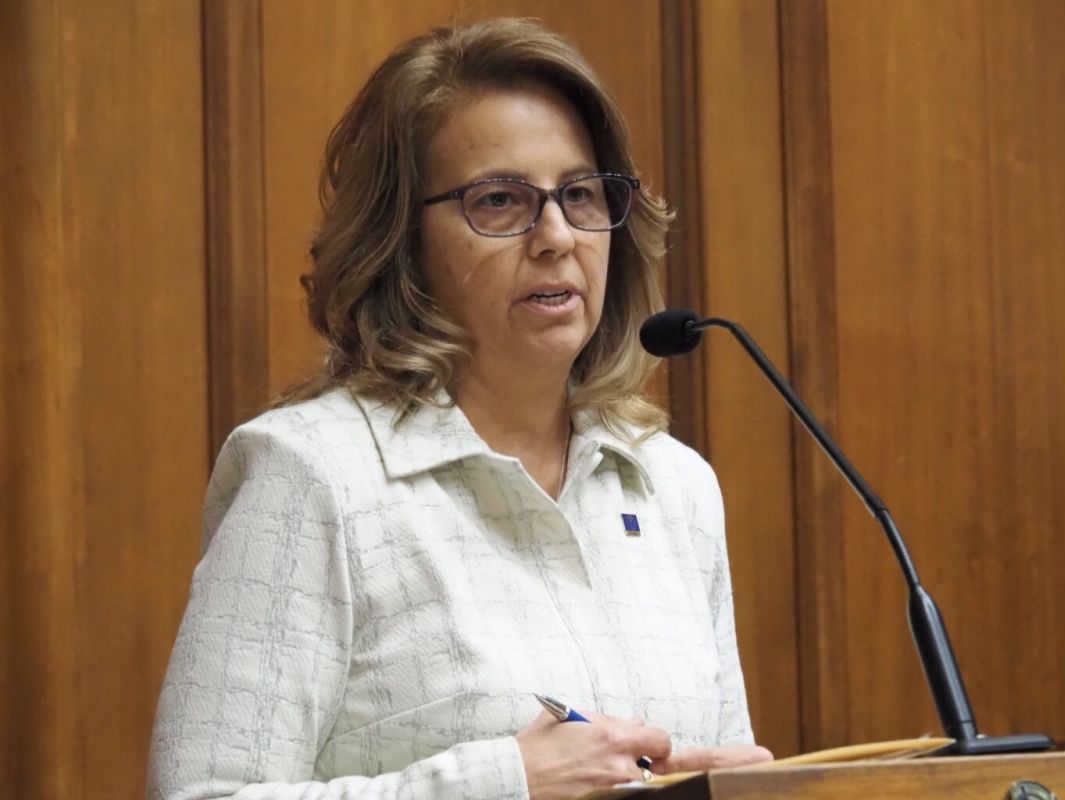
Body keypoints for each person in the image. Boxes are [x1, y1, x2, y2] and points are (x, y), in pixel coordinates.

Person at [148, 18, 771, 800]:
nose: (555, 237)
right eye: (500, 200)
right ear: (403, 243)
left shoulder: (673, 488)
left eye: (580, 194)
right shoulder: (314, 475)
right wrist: (502, 780)